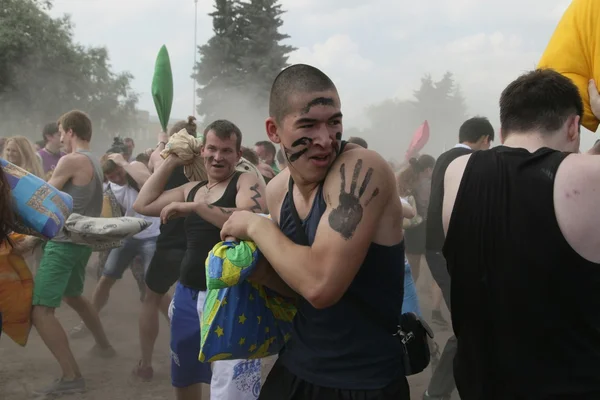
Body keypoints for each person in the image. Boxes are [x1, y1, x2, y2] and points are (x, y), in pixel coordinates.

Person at [221, 64, 409, 399]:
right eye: (308, 124)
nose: (325, 139)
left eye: (334, 122)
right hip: (296, 366)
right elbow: (300, 288)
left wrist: (253, 225)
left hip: (364, 381)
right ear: (274, 130)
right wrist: (258, 271)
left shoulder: (362, 169)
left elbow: (321, 285)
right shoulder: (278, 190)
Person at [442, 69, 600, 399]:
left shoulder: (457, 173)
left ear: (501, 129)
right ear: (573, 126)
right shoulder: (588, 177)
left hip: (481, 386)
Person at [134, 119, 266, 400]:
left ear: (238, 154)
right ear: (202, 151)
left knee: (232, 387)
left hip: (233, 298)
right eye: (212, 149)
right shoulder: (191, 187)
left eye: (227, 150)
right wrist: (171, 159)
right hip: (187, 295)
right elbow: (142, 204)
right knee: (185, 377)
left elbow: (248, 219)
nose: (218, 157)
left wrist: (195, 208)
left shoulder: (245, 181)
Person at [31, 110, 115, 396]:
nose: (62, 139)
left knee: (41, 311)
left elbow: (41, 197)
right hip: (82, 242)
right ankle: (104, 346)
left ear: (69, 131)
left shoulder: (71, 160)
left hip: (63, 242)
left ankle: (71, 376)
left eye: (62, 132)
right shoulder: (95, 160)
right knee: (74, 296)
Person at [421, 116, 494, 400]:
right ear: (485, 139)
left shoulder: (446, 157)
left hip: (441, 248)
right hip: (447, 250)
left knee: (474, 322)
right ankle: (436, 392)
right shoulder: (468, 161)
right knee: (470, 324)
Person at [132, 118, 196, 381]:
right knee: (200, 305)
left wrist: (161, 141)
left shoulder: (165, 160)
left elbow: (154, 161)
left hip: (170, 243)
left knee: (151, 299)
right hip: (199, 242)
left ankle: (145, 363)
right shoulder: (205, 161)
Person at [88, 151, 158, 320]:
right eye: (112, 177)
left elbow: (150, 184)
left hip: (152, 234)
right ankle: (90, 321)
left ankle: (173, 323)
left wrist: (124, 164)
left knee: (154, 286)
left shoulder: (134, 167)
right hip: (129, 236)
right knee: (105, 278)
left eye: (119, 173)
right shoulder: (108, 186)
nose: (118, 178)